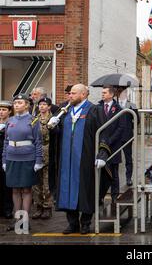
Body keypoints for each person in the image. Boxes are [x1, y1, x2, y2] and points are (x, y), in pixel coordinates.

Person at [49, 84, 108, 235]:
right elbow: (59, 133)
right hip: (66, 159)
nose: (70, 96)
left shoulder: (95, 110)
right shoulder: (65, 110)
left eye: (73, 93)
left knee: (85, 191)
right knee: (66, 189)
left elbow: (104, 132)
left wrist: (102, 154)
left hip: (85, 158)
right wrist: (54, 126)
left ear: (83, 95)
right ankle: (72, 223)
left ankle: (85, 223)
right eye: (69, 94)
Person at [2, 94, 43, 231]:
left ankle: (24, 221)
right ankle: (17, 220)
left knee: (26, 189)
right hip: (12, 157)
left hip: (28, 158)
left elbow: (38, 141)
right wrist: (4, 159)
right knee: (14, 189)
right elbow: (6, 142)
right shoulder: (10, 120)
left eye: (20, 102)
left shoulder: (33, 120)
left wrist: (38, 160)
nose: (17, 105)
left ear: (27, 105)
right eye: (15, 103)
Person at [97, 85, 126, 206]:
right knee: (100, 173)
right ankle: (100, 196)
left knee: (113, 173)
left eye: (104, 93)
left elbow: (121, 127)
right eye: (102, 92)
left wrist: (110, 140)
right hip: (100, 145)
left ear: (111, 94)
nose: (102, 94)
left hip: (113, 145)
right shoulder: (97, 107)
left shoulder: (119, 109)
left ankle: (114, 196)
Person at [32, 97, 59, 220]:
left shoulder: (54, 119)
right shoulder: (34, 119)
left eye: (44, 104)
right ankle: (38, 206)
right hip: (36, 151)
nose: (42, 107)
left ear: (49, 106)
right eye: (40, 104)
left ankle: (47, 207)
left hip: (48, 151)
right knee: (36, 182)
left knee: (47, 182)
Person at [116, 86, 139, 187]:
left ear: (126, 93)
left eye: (122, 92)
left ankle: (128, 178)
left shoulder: (132, 105)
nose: (120, 94)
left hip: (127, 135)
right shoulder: (114, 104)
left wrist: (130, 127)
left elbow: (137, 120)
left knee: (128, 158)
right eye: (119, 92)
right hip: (115, 136)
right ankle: (114, 179)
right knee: (115, 158)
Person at [0, 101, 13, 219]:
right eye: (0, 109)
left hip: (7, 156)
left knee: (6, 184)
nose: (1, 112)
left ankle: (8, 209)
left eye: (4, 110)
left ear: (9, 111)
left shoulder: (12, 123)